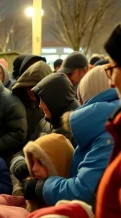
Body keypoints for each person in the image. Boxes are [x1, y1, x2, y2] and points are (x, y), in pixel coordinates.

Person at [13, 24, 121, 218]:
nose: (113, 80)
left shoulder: (99, 133)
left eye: (114, 68)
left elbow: (85, 190)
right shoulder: (105, 129)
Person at [21, 63, 119, 208]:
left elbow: (83, 191)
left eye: (43, 99)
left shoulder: (104, 132)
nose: (40, 105)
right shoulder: (101, 126)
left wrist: (41, 187)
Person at [17, 133, 74, 211]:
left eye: (41, 163)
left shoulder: (68, 210)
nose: (34, 169)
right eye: (32, 162)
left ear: (59, 166)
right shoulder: (29, 196)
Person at [12, 60, 53, 142]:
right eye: (29, 86)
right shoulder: (15, 103)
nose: (32, 90)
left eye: (37, 87)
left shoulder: (53, 109)